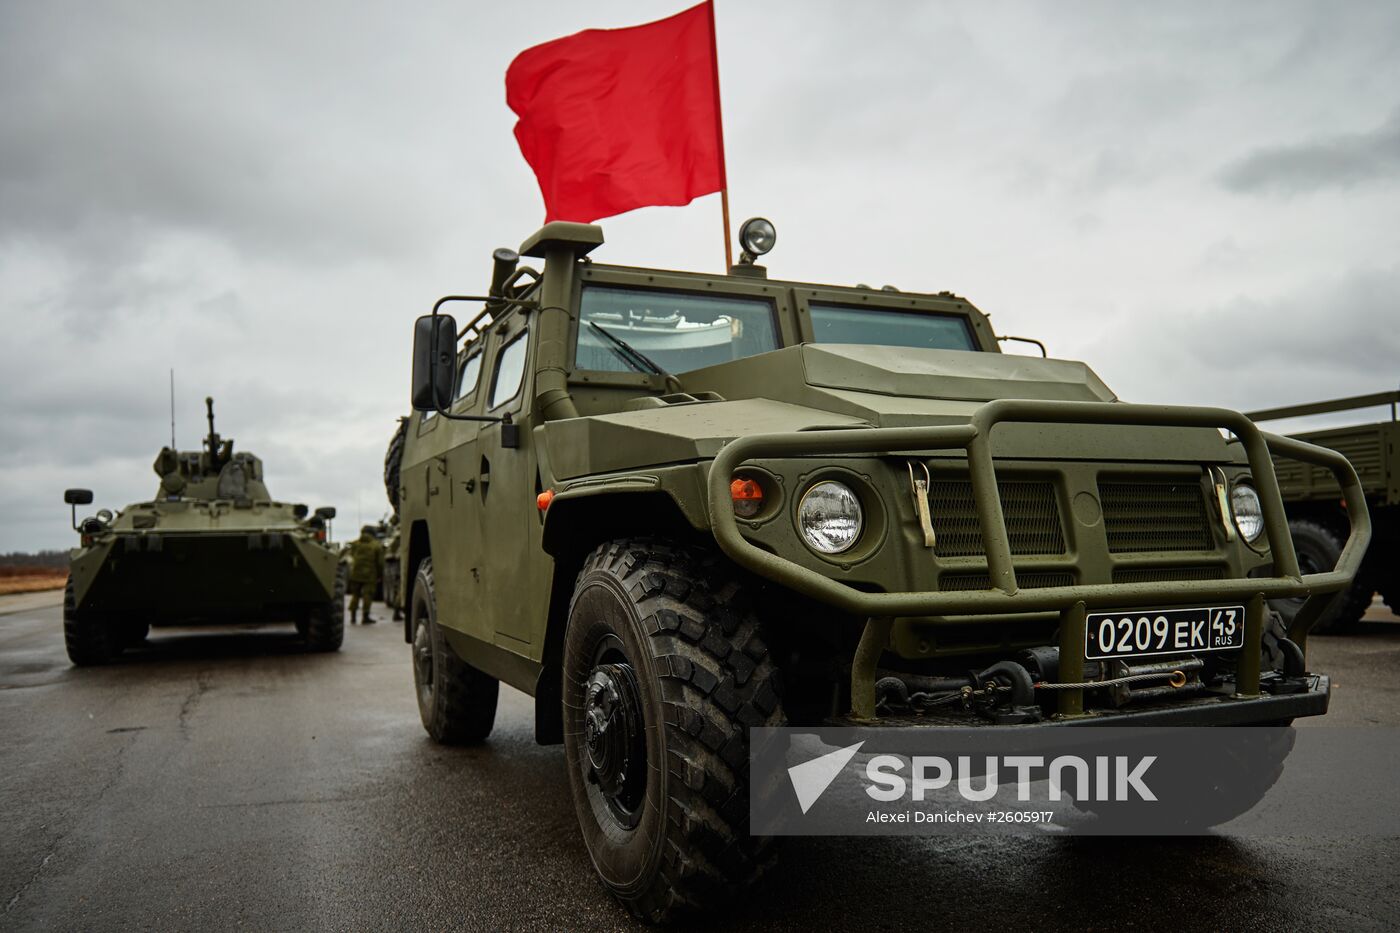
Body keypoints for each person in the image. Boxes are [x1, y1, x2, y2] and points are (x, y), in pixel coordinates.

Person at [346, 525, 386, 625]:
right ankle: (365, 616)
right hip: (370, 574)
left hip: (355, 573)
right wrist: (380, 574)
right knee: (367, 595)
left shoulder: (355, 544)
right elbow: (380, 562)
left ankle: (353, 617)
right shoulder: (376, 545)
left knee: (355, 595)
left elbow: (351, 555)